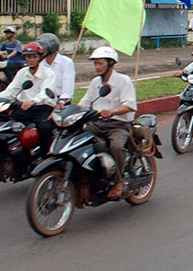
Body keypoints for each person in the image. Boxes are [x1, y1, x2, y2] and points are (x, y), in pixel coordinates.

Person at [78, 46, 137, 200]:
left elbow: (130, 105)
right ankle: (87, 179)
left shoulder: (123, 80)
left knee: (116, 146)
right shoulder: (95, 83)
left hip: (119, 124)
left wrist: (113, 111)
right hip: (97, 123)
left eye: (100, 63)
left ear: (111, 63)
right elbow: (84, 103)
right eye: (95, 64)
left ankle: (119, 180)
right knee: (79, 142)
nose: (97, 67)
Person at [0, 41, 56, 156]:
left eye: (34, 56)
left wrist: (33, 101)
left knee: (44, 128)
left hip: (42, 108)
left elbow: (46, 92)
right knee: (8, 125)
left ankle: (45, 157)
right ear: (25, 58)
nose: (31, 59)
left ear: (39, 58)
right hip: (23, 108)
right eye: (28, 57)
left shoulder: (48, 73)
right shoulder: (22, 73)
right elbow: (11, 90)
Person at [37, 33, 75, 107]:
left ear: (52, 48)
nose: (41, 51)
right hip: (45, 101)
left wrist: (62, 101)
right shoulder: (40, 64)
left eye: (43, 48)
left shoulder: (66, 62)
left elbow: (68, 84)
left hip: (60, 101)